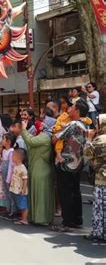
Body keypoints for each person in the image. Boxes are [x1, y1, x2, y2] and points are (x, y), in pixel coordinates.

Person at [51, 98, 89, 232]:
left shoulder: (73, 124)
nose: (69, 109)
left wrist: (54, 133)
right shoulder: (85, 125)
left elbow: (55, 137)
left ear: (77, 110)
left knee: (65, 192)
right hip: (78, 163)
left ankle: (67, 222)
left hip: (66, 163)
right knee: (75, 191)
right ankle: (77, 220)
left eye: (72, 107)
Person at [21, 117, 55, 225]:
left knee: (41, 195)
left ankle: (41, 218)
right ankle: (38, 217)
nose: (41, 124)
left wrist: (24, 129)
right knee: (40, 194)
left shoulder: (45, 136)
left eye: (44, 123)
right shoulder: (45, 135)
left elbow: (30, 141)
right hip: (39, 168)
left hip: (41, 170)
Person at [83, 114, 106, 242]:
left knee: (100, 208)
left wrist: (89, 138)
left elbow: (87, 153)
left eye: (97, 123)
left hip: (102, 178)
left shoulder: (101, 139)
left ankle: (99, 233)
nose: (95, 125)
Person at [9, 148, 29, 225]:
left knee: (23, 204)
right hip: (15, 188)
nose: (12, 157)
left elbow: (25, 179)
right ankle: (22, 217)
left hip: (20, 190)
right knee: (20, 203)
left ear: (18, 157)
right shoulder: (16, 166)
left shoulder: (22, 168)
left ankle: (25, 219)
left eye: (13, 155)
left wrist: (24, 189)